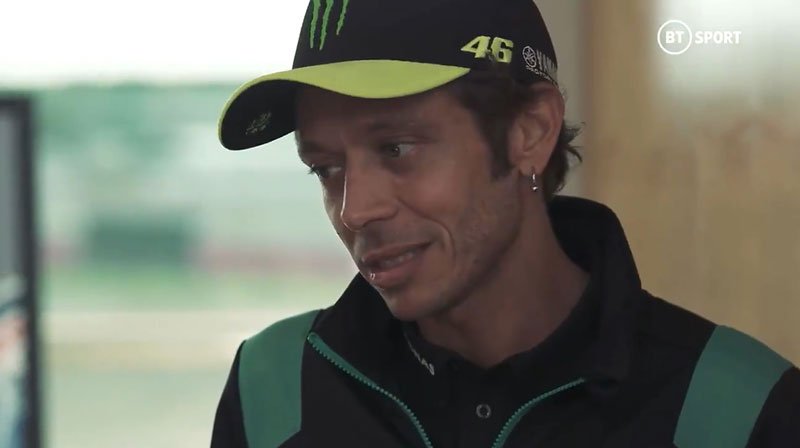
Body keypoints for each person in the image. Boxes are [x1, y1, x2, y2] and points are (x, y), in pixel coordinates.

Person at [211, 0, 800, 446]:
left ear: (530, 132)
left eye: (396, 149)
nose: (354, 210)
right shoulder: (272, 390)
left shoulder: (738, 409)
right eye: (326, 168)